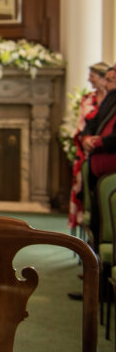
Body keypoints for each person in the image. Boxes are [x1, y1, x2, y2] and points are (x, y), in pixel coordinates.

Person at [70, 62, 110, 228]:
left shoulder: (110, 100)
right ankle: (84, 224)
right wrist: (86, 140)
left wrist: (100, 141)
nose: (89, 79)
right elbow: (83, 126)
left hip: (106, 150)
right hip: (86, 150)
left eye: (92, 76)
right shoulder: (87, 100)